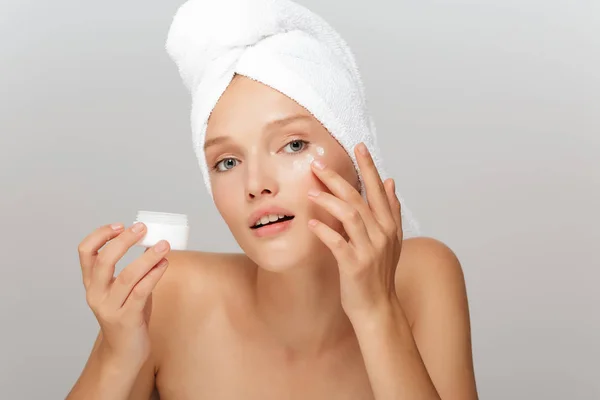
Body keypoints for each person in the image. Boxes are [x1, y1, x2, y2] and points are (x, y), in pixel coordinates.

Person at [67, 0, 478, 398]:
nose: (256, 184)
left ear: (358, 156)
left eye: (293, 145)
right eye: (227, 162)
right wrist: (118, 358)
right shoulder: (163, 293)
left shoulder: (424, 276)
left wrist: (377, 313)